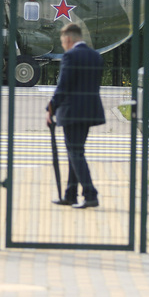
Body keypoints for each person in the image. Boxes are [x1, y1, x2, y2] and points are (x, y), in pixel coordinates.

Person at [45, 23, 106, 208]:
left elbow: (64, 86)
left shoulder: (70, 56)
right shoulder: (96, 56)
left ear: (69, 40)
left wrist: (51, 108)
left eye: (63, 42)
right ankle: (70, 194)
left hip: (72, 112)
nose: (63, 46)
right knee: (76, 152)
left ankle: (90, 194)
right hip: (89, 112)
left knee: (76, 153)